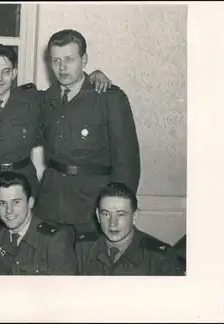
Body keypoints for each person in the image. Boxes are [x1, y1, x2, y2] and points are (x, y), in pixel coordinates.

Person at [0, 44, 112, 234]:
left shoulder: (33, 100)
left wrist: (92, 76)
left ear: (14, 73)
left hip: (23, 182)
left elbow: (68, 87)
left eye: (6, 72)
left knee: (27, 241)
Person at [34, 29, 141, 235]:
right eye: (56, 61)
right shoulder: (47, 99)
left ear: (84, 60)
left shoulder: (109, 98)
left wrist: (116, 210)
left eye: (69, 59)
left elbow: (126, 162)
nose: (62, 67)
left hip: (91, 205)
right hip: (51, 202)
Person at [0, 171, 77, 275]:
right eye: (2, 203)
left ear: (30, 203)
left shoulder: (54, 240)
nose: (9, 210)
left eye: (16, 202)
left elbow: (66, 289)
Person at [75, 182, 178, 275]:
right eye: (106, 214)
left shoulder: (159, 258)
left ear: (134, 217)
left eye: (120, 215)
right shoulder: (81, 249)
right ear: (98, 216)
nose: (112, 224)